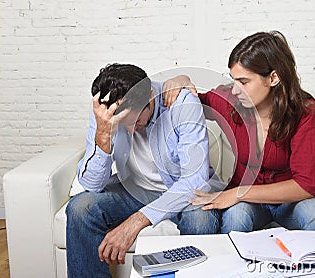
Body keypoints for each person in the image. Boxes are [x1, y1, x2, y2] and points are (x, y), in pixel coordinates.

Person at [163, 31, 315, 242]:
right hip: (249, 204)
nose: (235, 90)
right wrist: (182, 79)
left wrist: (236, 194)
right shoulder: (230, 101)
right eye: (233, 80)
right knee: (237, 216)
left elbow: (305, 186)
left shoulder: (306, 113)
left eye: (243, 82)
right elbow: (190, 104)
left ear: (273, 78)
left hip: (292, 201)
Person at [66, 63, 222, 277]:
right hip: (134, 190)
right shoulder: (105, 111)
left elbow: (195, 182)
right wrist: (103, 135)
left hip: (181, 193)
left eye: (136, 120)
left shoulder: (182, 103)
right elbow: (92, 185)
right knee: (80, 207)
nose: (130, 130)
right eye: (123, 124)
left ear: (150, 97)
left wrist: (136, 221)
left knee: (201, 219)